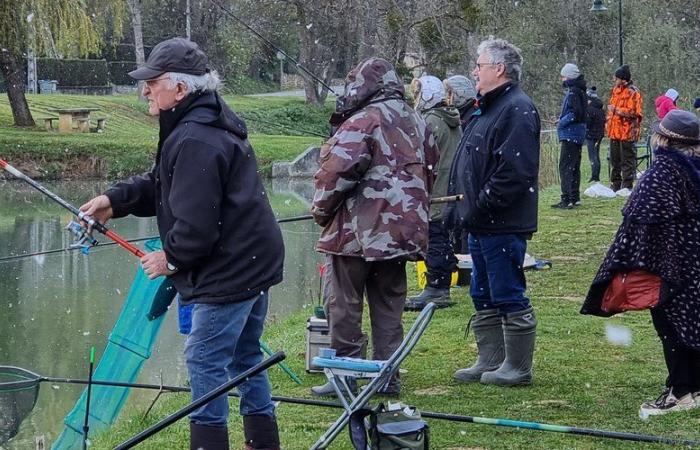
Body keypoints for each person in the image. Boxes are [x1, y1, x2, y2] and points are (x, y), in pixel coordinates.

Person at [79, 38, 283, 450]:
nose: (145, 91)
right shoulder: (198, 124)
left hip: (231, 271)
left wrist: (169, 258)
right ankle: (264, 443)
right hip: (253, 262)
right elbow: (163, 184)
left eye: (153, 82)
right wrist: (113, 202)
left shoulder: (195, 138)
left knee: (205, 362)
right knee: (246, 358)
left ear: (181, 89)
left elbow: (196, 228)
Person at [310, 58, 438, 397]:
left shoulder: (363, 120)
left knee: (344, 306)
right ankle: (386, 377)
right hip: (401, 236)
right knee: (388, 307)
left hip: (355, 235)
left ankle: (347, 378)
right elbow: (431, 174)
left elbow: (334, 174)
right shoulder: (420, 122)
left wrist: (320, 213)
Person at [582, 109, 700, 416]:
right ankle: (694, 386)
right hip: (693, 262)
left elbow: (638, 221)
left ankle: (680, 392)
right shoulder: (694, 170)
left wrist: (626, 263)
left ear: (663, 140)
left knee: (670, 324)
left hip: (667, 264)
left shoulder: (661, 173)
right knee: (692, 321)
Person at [448, 38, 540, 386]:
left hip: (502, 222)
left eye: (479, 64)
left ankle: (517, 368)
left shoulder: (517, 108)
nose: (474, 70)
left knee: (507, 292)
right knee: (482, 292)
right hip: (480, 223)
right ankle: (491, 359)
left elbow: (515, 172)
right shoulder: (486, 108)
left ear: (499, 69)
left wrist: (480, 204)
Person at [406, 75, 463, 310]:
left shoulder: (430, 121)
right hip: (450, 188)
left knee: (435, 238)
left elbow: (418, 156)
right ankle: (439, 285)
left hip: (437, 190)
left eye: (418, 94)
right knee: (442, 238)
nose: (416, 99)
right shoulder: (452, 119)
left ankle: (437, 290)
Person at [553, 63, 587, 209]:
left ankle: (567, 198)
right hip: (578, 134)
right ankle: (575, 196)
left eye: (563, 76)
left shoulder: (573, 92)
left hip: (570, 134)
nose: (562, 79)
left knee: (565, 166)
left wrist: (561, 122)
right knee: (574, 166)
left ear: (569, 77)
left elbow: (575, 113)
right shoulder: (581, 91)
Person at [606, 64, 643, 191]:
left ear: (623, 79)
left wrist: (616, 110)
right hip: (614, 132)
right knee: (615, 159)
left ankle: (627, 186)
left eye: (616, 78)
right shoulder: (615, 91)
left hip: (627, 132)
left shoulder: (633, 92)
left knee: (627, 160)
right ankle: (615, 184)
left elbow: (634, 112)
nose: (614, 81)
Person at [585, 86, 606, 183]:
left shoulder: (589, 110)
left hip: (591, 135)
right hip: (599, 135)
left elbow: (588, 123)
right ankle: (596, 175)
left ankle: (594, 176)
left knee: (592, 156)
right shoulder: (601, 110)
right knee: (596, 155)